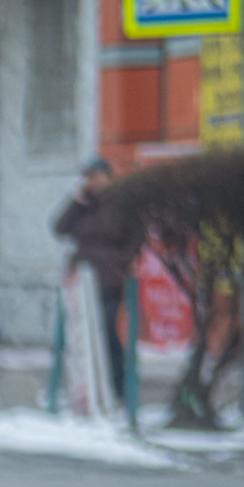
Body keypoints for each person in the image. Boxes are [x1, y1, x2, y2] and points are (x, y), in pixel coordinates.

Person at [54, 158, 139, 404]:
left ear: (108, 177)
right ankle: (84, 387)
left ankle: (118, 385)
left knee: (107, 332)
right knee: (79, 335)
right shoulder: (83, 205)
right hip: (82, 279)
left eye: (97, 176)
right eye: (88, 177)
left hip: (110, 278)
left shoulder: (121, 204)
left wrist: (121, 261)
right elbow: (59, 228)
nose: (92, 182)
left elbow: (135, 237)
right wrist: (76, 203)